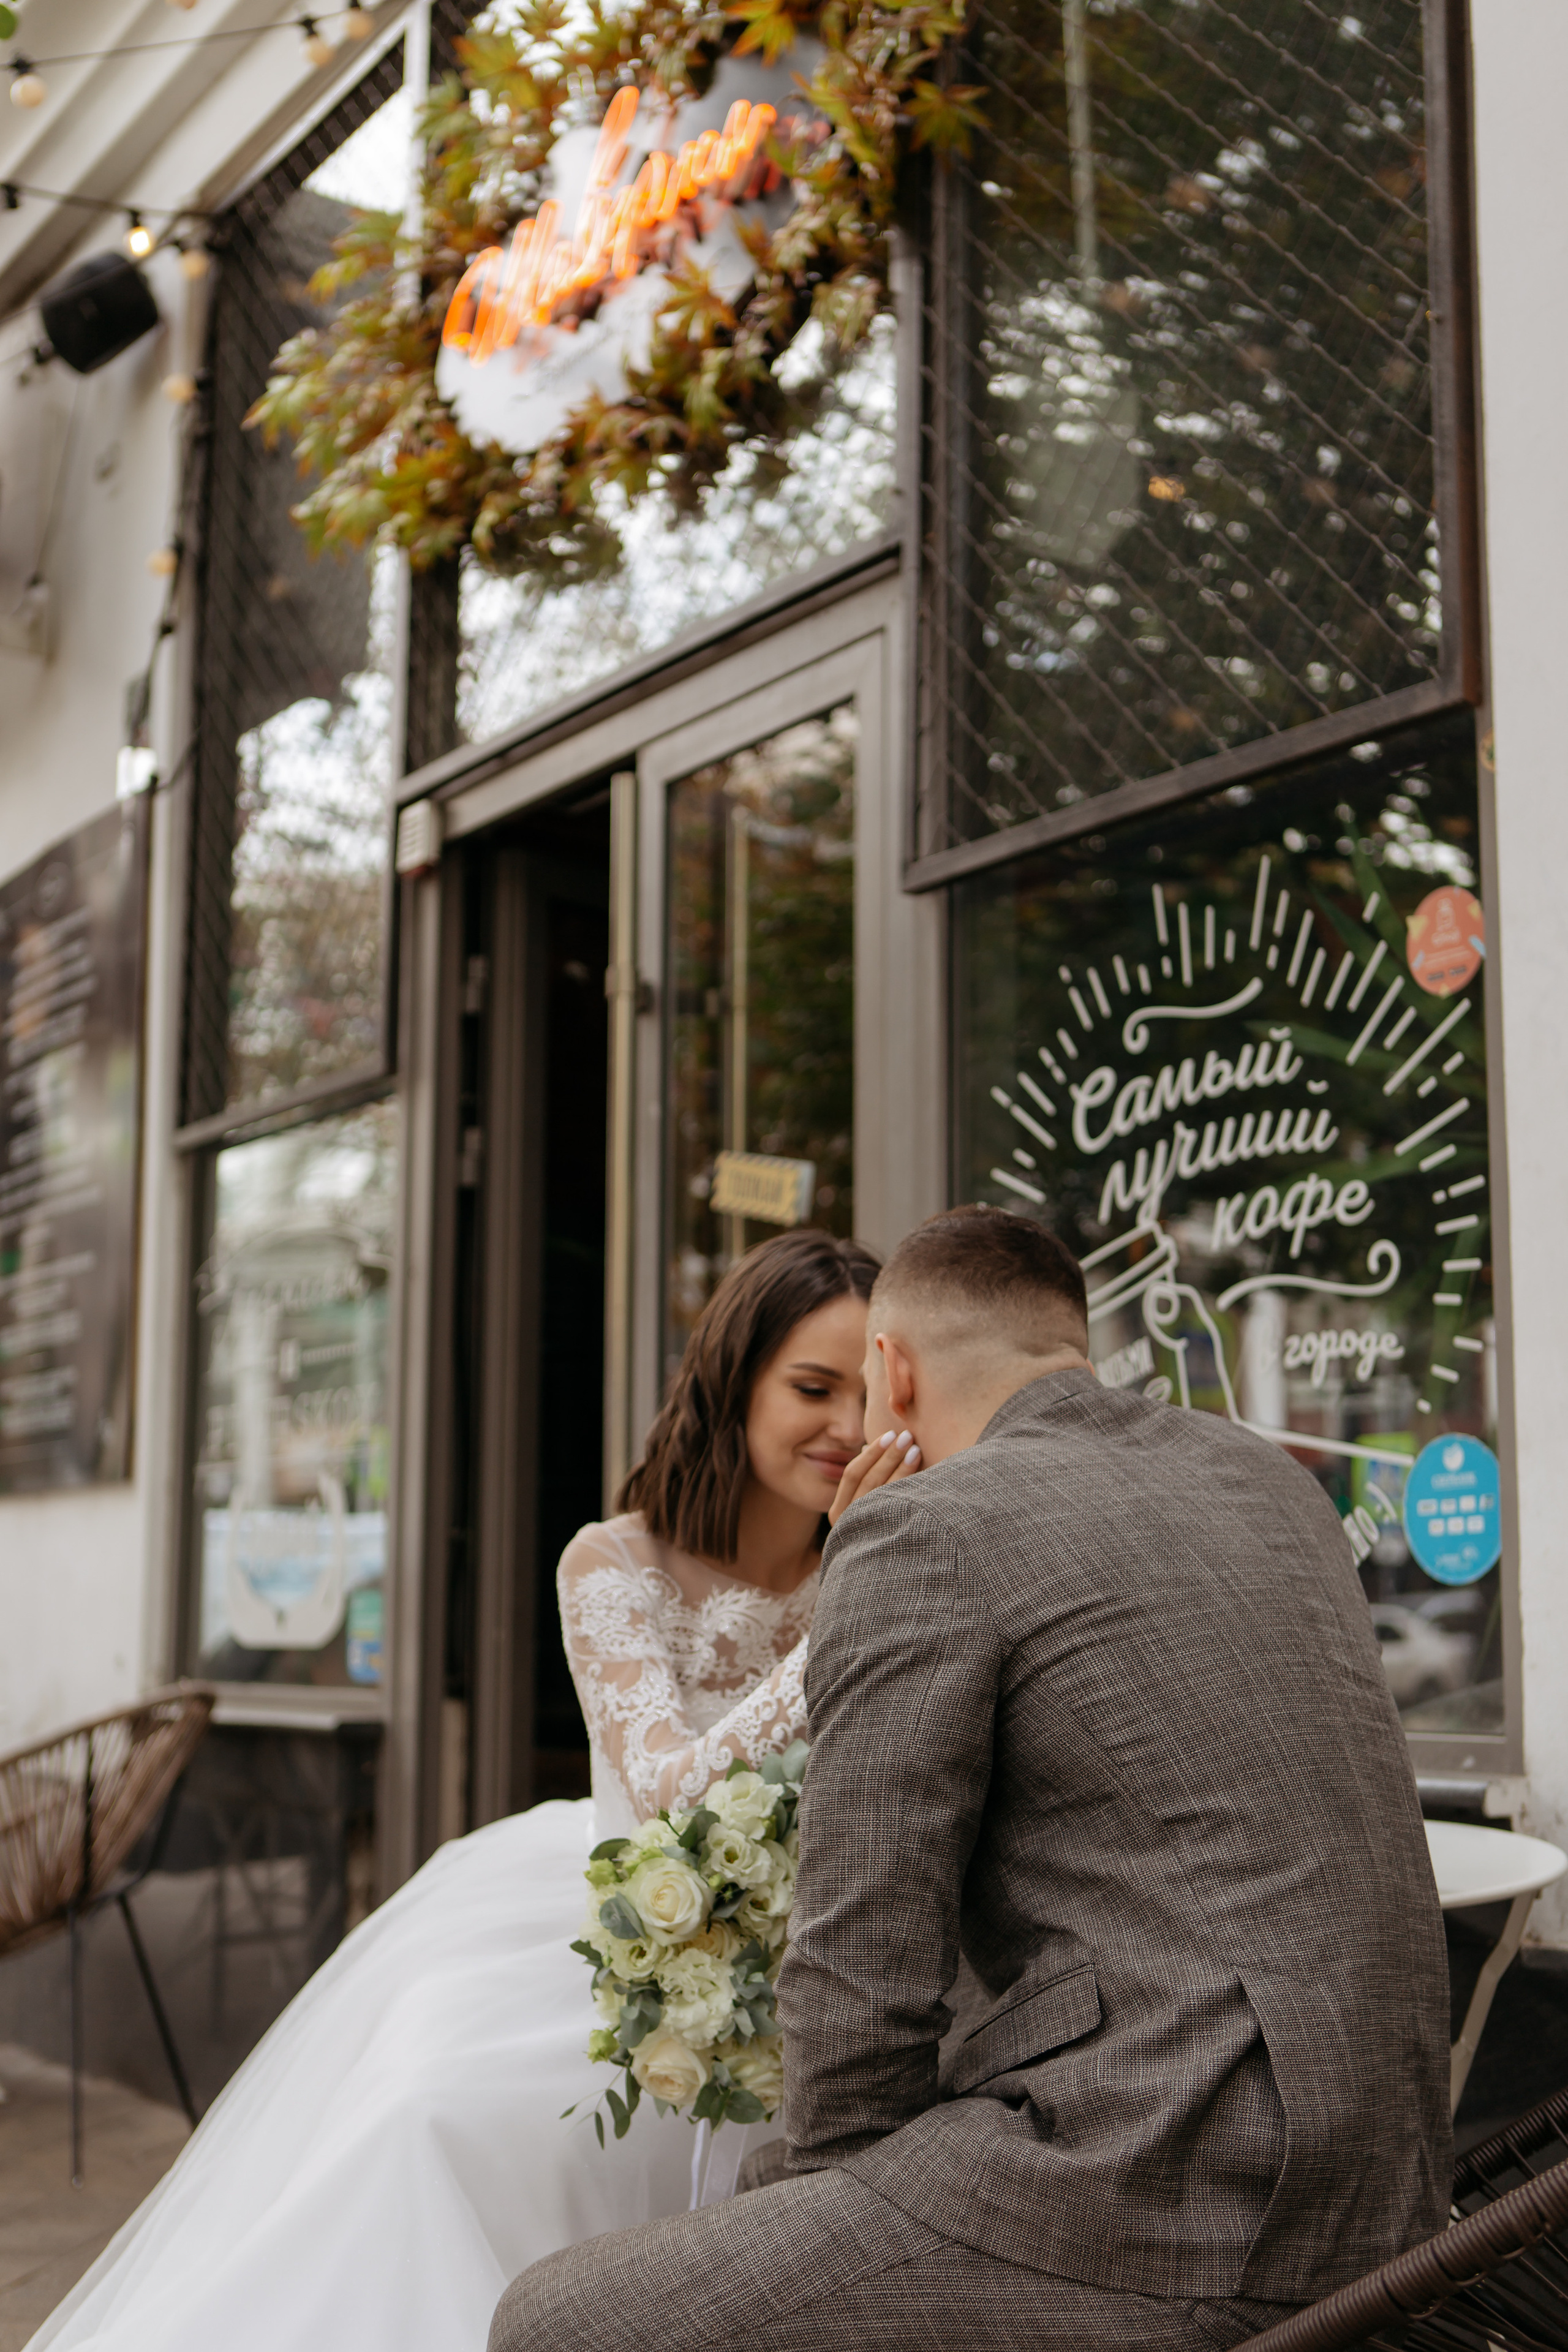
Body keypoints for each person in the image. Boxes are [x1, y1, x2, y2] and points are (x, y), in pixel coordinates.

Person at [492, 1205, 1451, 2352]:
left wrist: (820, 2222)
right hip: (1396, 2185)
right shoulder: (1270, 1481)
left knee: (551, 2322)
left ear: (892, 1372)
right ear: (1070, 1347)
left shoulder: (923, 1529)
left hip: (1163, 2187)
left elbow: (863, 1973)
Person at [29, 1227, 891, 2352]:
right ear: (734, 1386)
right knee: (432, 2115)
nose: (846, 1426)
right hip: (619, 1919)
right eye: (813, 1388)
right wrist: (850, 1606)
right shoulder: (613, 1563)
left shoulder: (885, 1559)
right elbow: (670, 1794)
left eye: (870, 1394)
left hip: (822, 1948)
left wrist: (867, 1566)